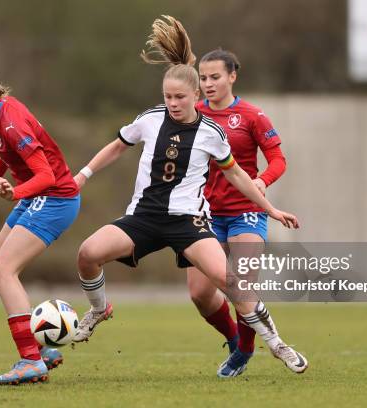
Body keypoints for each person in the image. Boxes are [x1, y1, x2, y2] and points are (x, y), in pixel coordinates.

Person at [72, 16, 308, 376]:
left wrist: (271, 209)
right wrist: (83, 175)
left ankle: (278, 346)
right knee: (87, 254)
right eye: (168, 97)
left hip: (189, 222)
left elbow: (239, 175)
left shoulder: (213, 131)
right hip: (143, 218)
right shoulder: (150, 119)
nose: (173, 103)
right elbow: (117, 147)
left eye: (180, 97)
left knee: (233, 284)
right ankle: (99, 309)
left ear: (196, 96)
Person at [0, 68, 80, 385]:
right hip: (36, 197)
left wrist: (16, 192)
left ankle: (30, 361)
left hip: (55, 199)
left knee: (2, 271)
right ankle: (42, 350)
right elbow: (4, 152)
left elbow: (47, 176)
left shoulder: (12, 122)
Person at [187, 49, 288, 377]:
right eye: (203, 78)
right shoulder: (192, 113)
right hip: (203, 215)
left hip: (246, 211)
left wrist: (262, 180)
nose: (208, 84)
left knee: (242, 285)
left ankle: (244, 350)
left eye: (215, 77)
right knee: (200, 294)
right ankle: (235, 338)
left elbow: (278, 159)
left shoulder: (252, 116)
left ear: (232, 76)